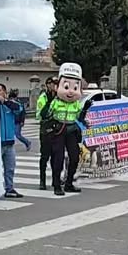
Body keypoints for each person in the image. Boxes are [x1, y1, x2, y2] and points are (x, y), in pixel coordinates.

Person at [40, 63, 92, 196]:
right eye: (67, 87)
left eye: (75, 87)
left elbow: (78, 117)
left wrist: (85, 112)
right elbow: (44, 115)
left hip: (72, 130)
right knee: (58, 159)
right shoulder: (56, 101)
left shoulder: (76, 103)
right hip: (58, 130)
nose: (70, 91)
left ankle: (69, 183)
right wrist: (49, 103)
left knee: (74, 157)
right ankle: (57, 185)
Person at [0, 83, 23, 198]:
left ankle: (9, 188)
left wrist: (4, 102)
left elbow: (19, 110)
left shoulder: (10, 104)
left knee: (10, 168)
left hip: (9, 142)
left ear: (4, 92)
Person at [36, 77, 57, 190]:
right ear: (47, 85)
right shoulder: (43, 97)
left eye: (55, 83)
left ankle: (55, 180)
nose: (53, 85)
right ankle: (42, 181)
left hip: (58, 129)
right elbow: (41, 114)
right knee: (45, 157)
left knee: (57, 157)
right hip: (46, 129)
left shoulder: (60, 96)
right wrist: (49, 102)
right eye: (51, 83)